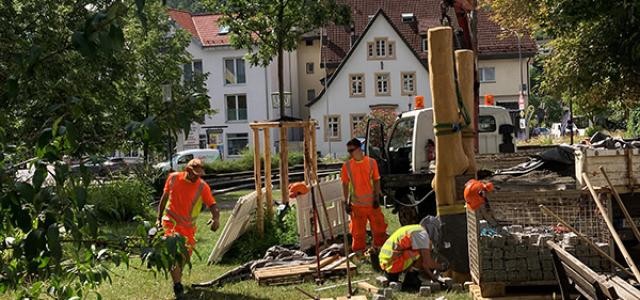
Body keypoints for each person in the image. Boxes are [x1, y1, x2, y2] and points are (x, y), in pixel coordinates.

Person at [157, 158, 220, 299]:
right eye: (194, 174)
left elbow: (213, 205)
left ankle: (177, 275)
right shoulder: (173, 178)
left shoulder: (202, 187)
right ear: (187, 170)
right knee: (174, 254)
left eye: (199, 174)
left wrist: (216, 218)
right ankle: (177, 285)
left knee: (185, 257)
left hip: (188, 228)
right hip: (170, 223)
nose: (196, 177)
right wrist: (158, 218)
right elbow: (164, 197)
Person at [341, 138, 387, 263]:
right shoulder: (347, 166)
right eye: (348, 151)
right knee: (358, 232)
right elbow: (345, 184)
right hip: (357, 205)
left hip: (372, 203)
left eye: (352, 150)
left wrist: (377, 197)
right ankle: (359, 254)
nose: (350, 153)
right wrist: (346, 201)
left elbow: (376, 180)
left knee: (379, 228)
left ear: (359, 148)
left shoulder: (371, 163)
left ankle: (378, 250)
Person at [378, 216, 444, 291]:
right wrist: (442, 267)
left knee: (419, 252)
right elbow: (427, 263)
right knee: (419, 253)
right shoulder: (423, 235)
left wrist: (434, 279)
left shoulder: (415, 229)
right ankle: (410, 280)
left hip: (386, 261)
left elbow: (425, 265)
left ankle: (394, 278)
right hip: (393, 263)